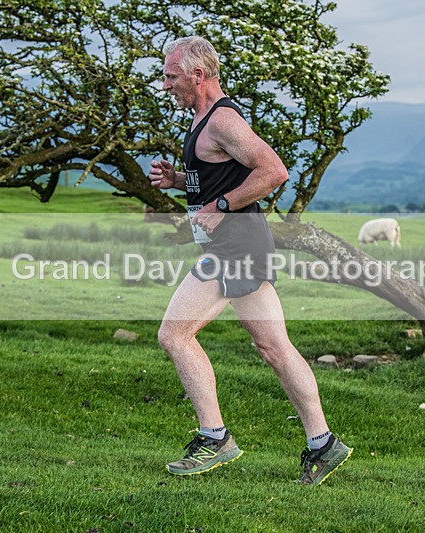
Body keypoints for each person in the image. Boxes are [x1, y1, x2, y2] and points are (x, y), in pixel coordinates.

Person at [149, 36, 351, 487]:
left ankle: (214, 437)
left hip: (236, 247)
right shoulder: (203, 119)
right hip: (243, 246)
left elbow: (274, 171)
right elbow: (221, 173)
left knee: (175, 334)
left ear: (197, 75)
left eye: (171, 76)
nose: (166, 85)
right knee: (274, 348)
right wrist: (180, 179)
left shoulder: (222, 119)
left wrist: (219, 208)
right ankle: (323, 443)